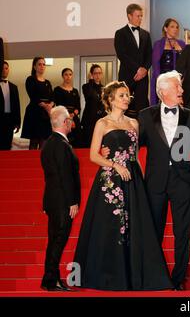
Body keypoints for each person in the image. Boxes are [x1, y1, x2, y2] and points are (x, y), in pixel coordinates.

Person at [74, 81, 173, 290]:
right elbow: (93, 155)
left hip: (133, 179)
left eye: (127, 95)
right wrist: (114, 165)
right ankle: (110, 276)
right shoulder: (102, 123)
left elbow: (135, 157)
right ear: (110, 99)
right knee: (110, 227)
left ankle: (134, 276)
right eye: (121, 95)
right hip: (110, 181)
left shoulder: (134, 123)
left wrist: (142, 183)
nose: (126, 99)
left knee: (135, 227)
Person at [138, 71, 190, 290]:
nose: (182, 91)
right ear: (163, 91)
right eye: (177, 87)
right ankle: (155, 276)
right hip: (155, 182)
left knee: (182, 231)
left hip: (182, 181)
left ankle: (179, 278)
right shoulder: (145, 116)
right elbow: (133, 146)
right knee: (154, 230)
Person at [40, 106, 80, 291]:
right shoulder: (62, 145)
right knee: (58, 241)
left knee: (54, 240)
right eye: (70, 119)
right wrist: (72, 201)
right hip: (63, 203)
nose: (72, 122)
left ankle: (51, 279)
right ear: (65, 122)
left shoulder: (48, 143)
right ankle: (50, 280)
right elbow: (65, 176)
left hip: (53, 201)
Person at [114, 3, 152, 118]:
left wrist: (144, 69)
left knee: (143, 106)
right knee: (123, 105)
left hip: (143, 77)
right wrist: (138, 69)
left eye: (141, 16)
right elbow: (122, 54)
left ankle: (143, 133)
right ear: (129, 16)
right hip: (127, 76)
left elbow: (149, 55)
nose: (140, 18)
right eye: (138, 16)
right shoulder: (120, 33)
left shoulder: (146, 34)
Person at [151, 18, 186, 106]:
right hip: (164, 83)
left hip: (180, 81)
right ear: (166, 29)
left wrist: (183, 79)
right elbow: (156, 66)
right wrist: (161, 84)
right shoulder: (158, 44)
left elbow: (186, 64)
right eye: (172, 27)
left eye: (177, 27)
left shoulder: (182, 44)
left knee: (182, 107)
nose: (175, 29)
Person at [21, 57, 54, 150]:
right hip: (34, 113)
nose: (42, 66)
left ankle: (42, 164)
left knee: (44, 143)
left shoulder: (48, 82)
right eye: (39, 64)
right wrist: (45, 105)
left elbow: (52, 97)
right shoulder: (30, 79)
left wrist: (50, 105)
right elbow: (33, 95)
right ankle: (31, 164)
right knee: (34, 142)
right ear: (34, 67)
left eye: (44, 64)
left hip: (46, 115)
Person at [54, 68, 82, 147]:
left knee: (77, 141)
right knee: (64, 141)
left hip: (74, 118)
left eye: (70, 74)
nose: (68, 77)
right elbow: (59, 105)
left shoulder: (75, 91)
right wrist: (68, 116)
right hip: (63, 119)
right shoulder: (57, 90)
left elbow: (78, 107)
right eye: (66, 74)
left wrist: (73, 115)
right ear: (62, 76)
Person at [81, 64, 105, 148]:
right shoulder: (86, 86)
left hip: (101, 119)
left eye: (99, 73)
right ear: (91, 74)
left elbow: (105, 103)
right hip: (89, 119)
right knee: (88, 143)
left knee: (100, 143)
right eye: (95, 73)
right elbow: (90, 95)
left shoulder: (104, 88)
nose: (98, 75)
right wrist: (91, 81)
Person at [0, 61, 21, 150]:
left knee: (8, 144)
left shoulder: (14, 87)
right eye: (2, 68)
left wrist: (18, 123)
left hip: (10, 120)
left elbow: (17, 105)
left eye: (6, 68)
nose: (4, 70)